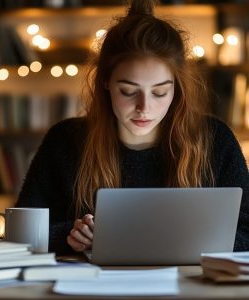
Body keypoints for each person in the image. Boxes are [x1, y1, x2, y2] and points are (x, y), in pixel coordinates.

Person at [16, 0, 249, 254]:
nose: (144, 107)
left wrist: (189, 240)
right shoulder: (65, 141)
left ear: (177, 88)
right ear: (105, 81)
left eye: (160, 92)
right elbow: (22, 234)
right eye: (128, 91)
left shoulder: (214, 140)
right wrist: (71, 235)